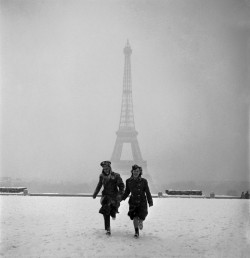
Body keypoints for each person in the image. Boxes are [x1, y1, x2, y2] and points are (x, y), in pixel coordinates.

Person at [93, 161, 124, 236]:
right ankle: (108, 229)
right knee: (105, 211)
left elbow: (121, 186)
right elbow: (99, 185)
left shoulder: (116, 175)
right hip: (106, 196)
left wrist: (120, 194)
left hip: (114, 196)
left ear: (110, 168)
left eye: (107, 168)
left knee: (112, 210)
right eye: (104, 169)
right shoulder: (101, 176)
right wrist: (95, 193)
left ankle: (113, 212)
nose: (106, 170)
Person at [122, 164, 153, 238]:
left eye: (137, 171)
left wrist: (150, 201)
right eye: (134, 171)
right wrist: (121, 198)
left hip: (142, 201)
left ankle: (141, 221)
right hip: (133, 201)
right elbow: (127, 192)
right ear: (132, 171)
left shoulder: (144, 181)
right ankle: (136, 232)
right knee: (134, 216)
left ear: (140, 172)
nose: (136, 172)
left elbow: (147, 192)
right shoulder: (128, 181)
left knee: (142, 215)